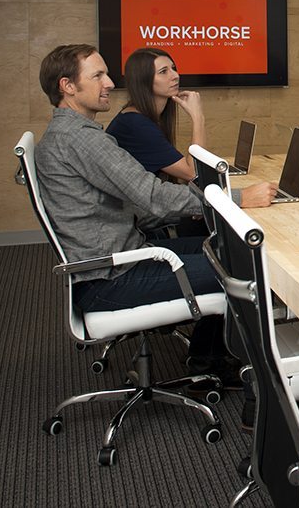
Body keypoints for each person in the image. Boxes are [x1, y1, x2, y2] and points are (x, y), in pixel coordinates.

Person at [34, 44, 277, 380]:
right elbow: (152, 195)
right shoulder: (79, 139)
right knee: (249, 269)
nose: (109, 83)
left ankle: (212, 359)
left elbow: (132, 202)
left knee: (229, 247)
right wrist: (236, 199)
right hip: (113, 277)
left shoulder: (74, 134)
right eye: (98, 76)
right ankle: (257, 394)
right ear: (68, 86)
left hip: (117, 259)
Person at [106, 47, 204, 182]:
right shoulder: (135, 124)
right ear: (143, 80)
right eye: (163, 72)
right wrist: (198, 117)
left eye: (173, 68)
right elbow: (193, 173)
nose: (175, 76)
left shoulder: (143, 117)